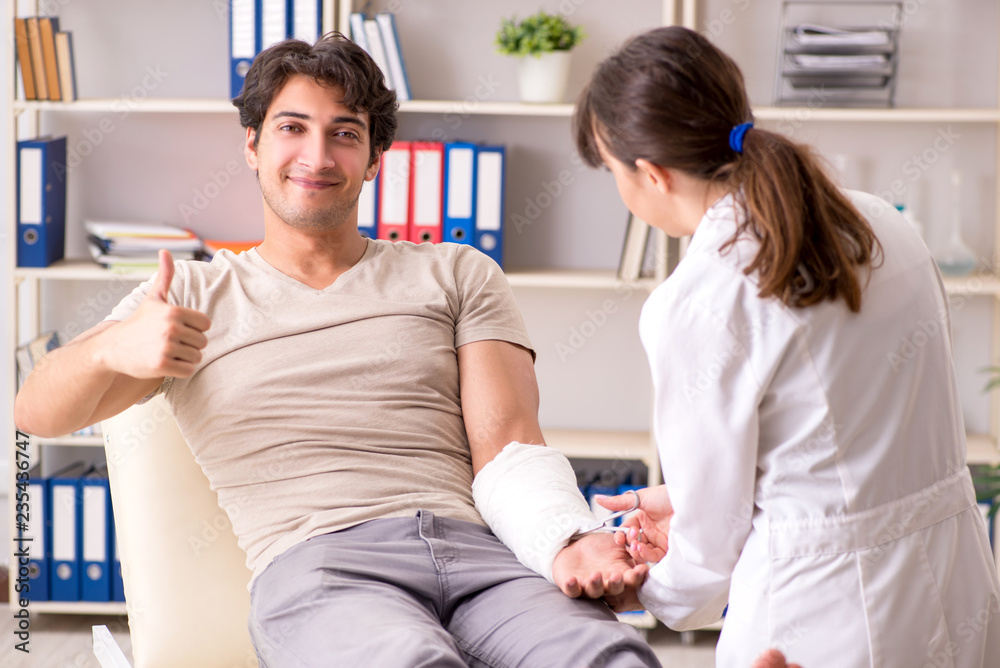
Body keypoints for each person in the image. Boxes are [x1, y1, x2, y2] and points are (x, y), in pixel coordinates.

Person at [14, 34, 660, 668]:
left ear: (377, 157)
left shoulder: (459, 272)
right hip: (321, 570)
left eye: (345, 133)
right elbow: (36, 413)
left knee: (609, 655)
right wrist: (109, 350)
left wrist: (569, 539)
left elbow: (511, 446)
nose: (317, 155)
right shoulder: (189, 294)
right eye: (292, 127)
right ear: (252, 144)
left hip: (480, 560)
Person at [573, 26, 1000, 667]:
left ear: (651, 175)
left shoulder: (698, 300)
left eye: (612, 171)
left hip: (821, 622)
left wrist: (643, 587)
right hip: (957, 584)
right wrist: (693, 503)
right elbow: (843, 445)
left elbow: (709, 555)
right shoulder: (880, 223)